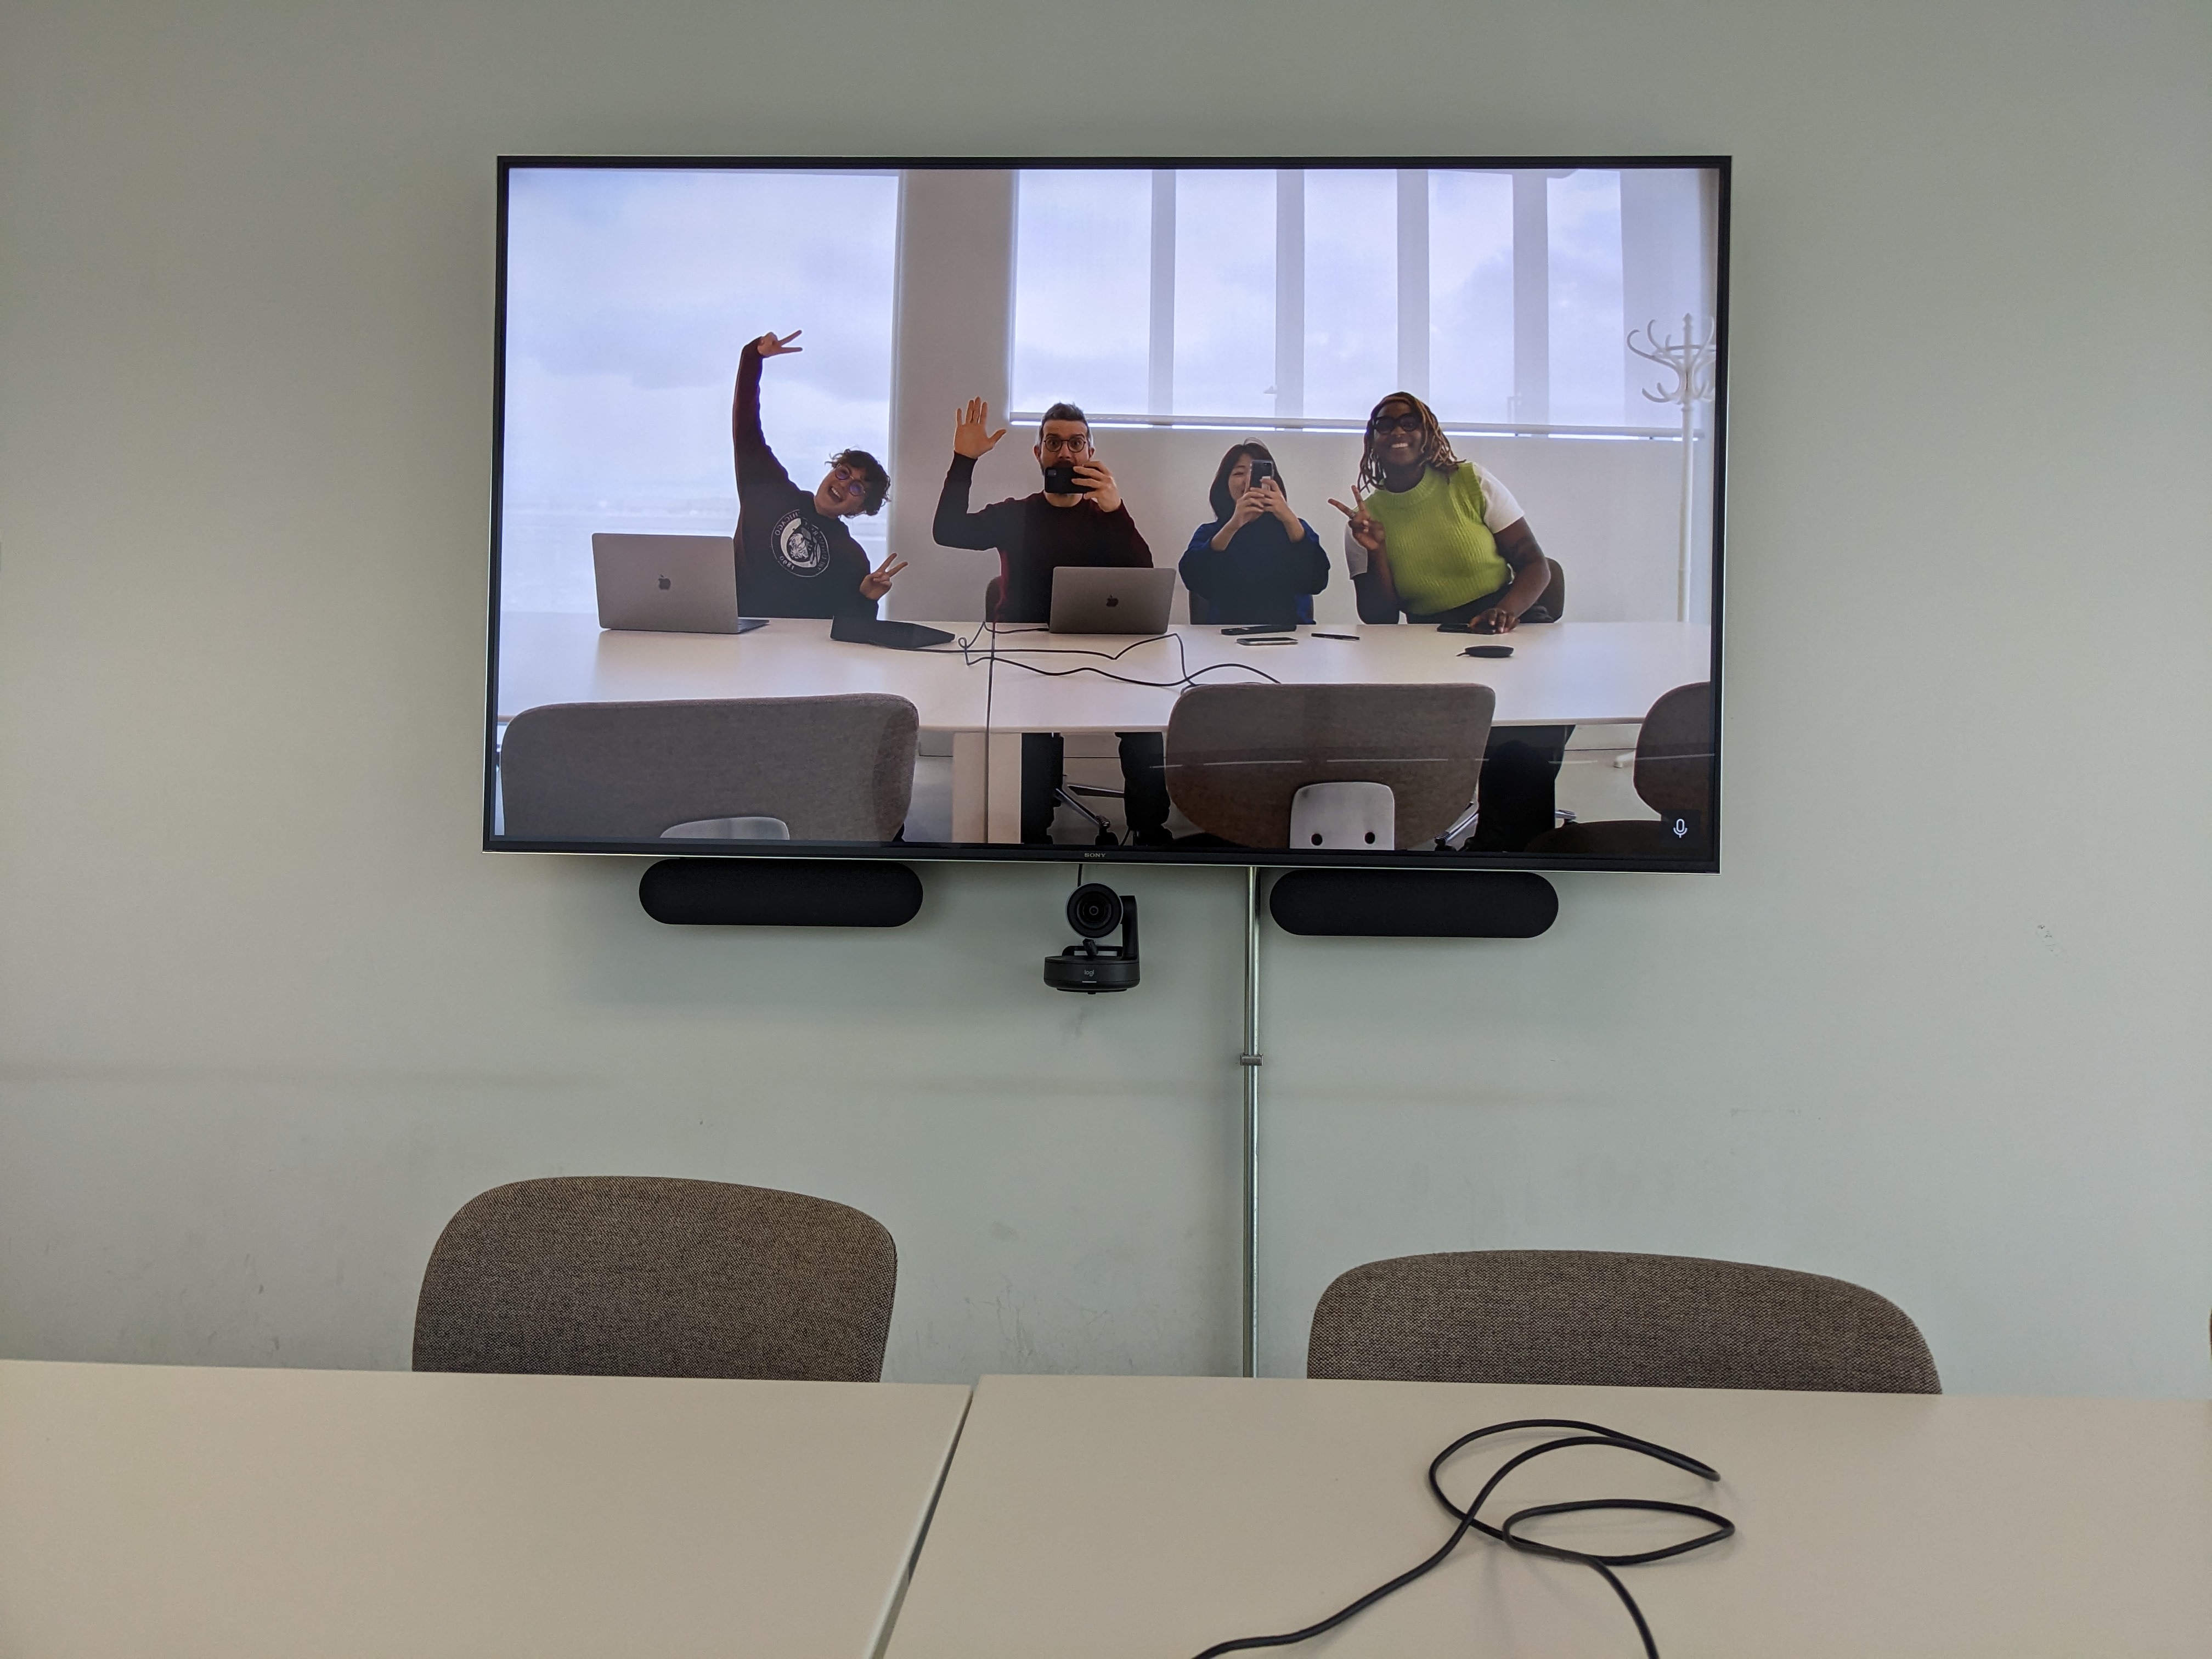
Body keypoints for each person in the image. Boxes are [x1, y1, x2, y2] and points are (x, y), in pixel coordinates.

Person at [1328, 391, 1568, 852]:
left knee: (1533, 722)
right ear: (1372, 441)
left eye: (1408, 421)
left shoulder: (1471, 481)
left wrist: (1508, 611)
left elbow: (1537, 566)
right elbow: (1377, 618)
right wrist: (1376, 552)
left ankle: (1507, 842)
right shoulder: (1364, 519)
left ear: (1428, 431)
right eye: (1384, 424)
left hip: (1506, 617)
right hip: (1432, 637)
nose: (1397, 430)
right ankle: (1509, 836)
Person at [932, 399, 1169, 845]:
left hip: (1098, 652)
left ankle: (1149, 830)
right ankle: (1032, 833)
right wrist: (964, 460)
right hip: (1026, 656)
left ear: (1091, 452)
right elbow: (947, 531)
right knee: (1032, 737)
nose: (1065, 453)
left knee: (1145, 718)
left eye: (1076, 443)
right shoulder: (1014, 514)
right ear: (1038, 453)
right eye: (1054, 443)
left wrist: (1117, 509)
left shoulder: (1105, 518)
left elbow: (1144, 576)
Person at [730, 329, 906, 618]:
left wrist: (866, 599)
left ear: (861, 508)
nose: (845, 483)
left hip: (799, 656)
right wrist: (754, 357)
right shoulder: (768, 489)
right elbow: (746, 425)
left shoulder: (851, 558)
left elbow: (844, 632)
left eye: (857, 488)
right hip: (734, 636)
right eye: (844, 472)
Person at [1179, 442, 1329, 626]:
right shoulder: (1211, 533)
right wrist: (1233, 525)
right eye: (1239, 473)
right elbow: (1193, 578)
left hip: (1290, 636)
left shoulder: (1295, 528)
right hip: (1225, 637)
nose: (1248, 481)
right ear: (1225, 484)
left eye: (1257, 473)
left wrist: (1289, 518)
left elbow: (1317, 581)